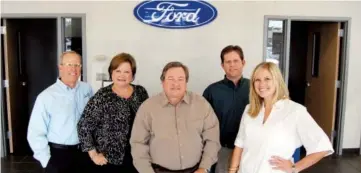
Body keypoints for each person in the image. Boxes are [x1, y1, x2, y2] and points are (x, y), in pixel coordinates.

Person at [228, 62, 334, 173]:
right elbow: (240, 144)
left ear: (277, 81)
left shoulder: (295, 111)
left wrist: (295, 167)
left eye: (267, 79)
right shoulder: (249, 109)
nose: (261, 84)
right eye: (257, 80)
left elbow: (322, 146)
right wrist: (232, 171)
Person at [130, 61, 221, 173]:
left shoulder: (201, 105)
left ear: (186, 82)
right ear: (163, 82)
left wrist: (204, 167)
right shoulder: (148, 107)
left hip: (196, 170)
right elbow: (138, 143)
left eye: (180, 79)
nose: (175, 83)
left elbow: (213, 139)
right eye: (171, 79)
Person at [77, 53, 149, 173]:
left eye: (126, 72)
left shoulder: (140, 92)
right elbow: (84, 126)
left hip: (136, 157)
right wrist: (94, 155)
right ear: (112, 73)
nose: (122, 75)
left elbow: (148, 122)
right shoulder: (102, 96)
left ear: (132, 75)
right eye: (118, 70)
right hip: (109, 160)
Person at [27, 51, 94, 173]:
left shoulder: (87, 89)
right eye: (69, 64)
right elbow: (35, 133)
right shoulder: (46, 96)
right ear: (60, 67)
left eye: (77, 65)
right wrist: (47, 161)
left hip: (84, 153)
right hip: (59, 155)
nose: (73, 69)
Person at [203, 45, 250, 173]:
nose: (232, 65)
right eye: (228, 62)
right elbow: (203, 124)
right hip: (222, 150)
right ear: (222, 65)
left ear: (243, 62)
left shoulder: (255, 88)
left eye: (236, 61)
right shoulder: (212, 91)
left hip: (250, 150)